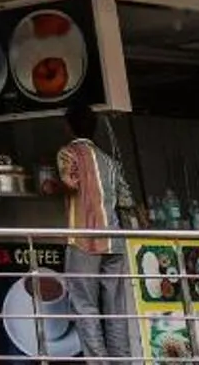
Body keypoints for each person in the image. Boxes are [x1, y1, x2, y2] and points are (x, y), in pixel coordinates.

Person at [56, 98, 136, 363]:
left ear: (68, 127)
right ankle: (122, 359)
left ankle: (99, 361)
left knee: (85, 305)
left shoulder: (68, 153)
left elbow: (70, 183)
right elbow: (126, 200)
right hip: (115, 242)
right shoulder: (109, 161)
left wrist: (50, 188)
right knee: (115, 309)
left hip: (84, 241)